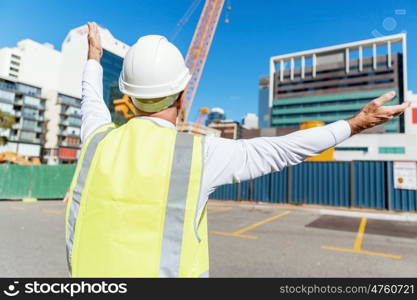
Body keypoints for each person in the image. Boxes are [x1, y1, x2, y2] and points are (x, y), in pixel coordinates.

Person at [65, 22, 410, 278]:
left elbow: (91, 101)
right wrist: (355, 123)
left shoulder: (97, 140)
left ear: (130, 96)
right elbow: (283, 150)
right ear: (183, 95)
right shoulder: (197, 154)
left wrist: (94, 58)